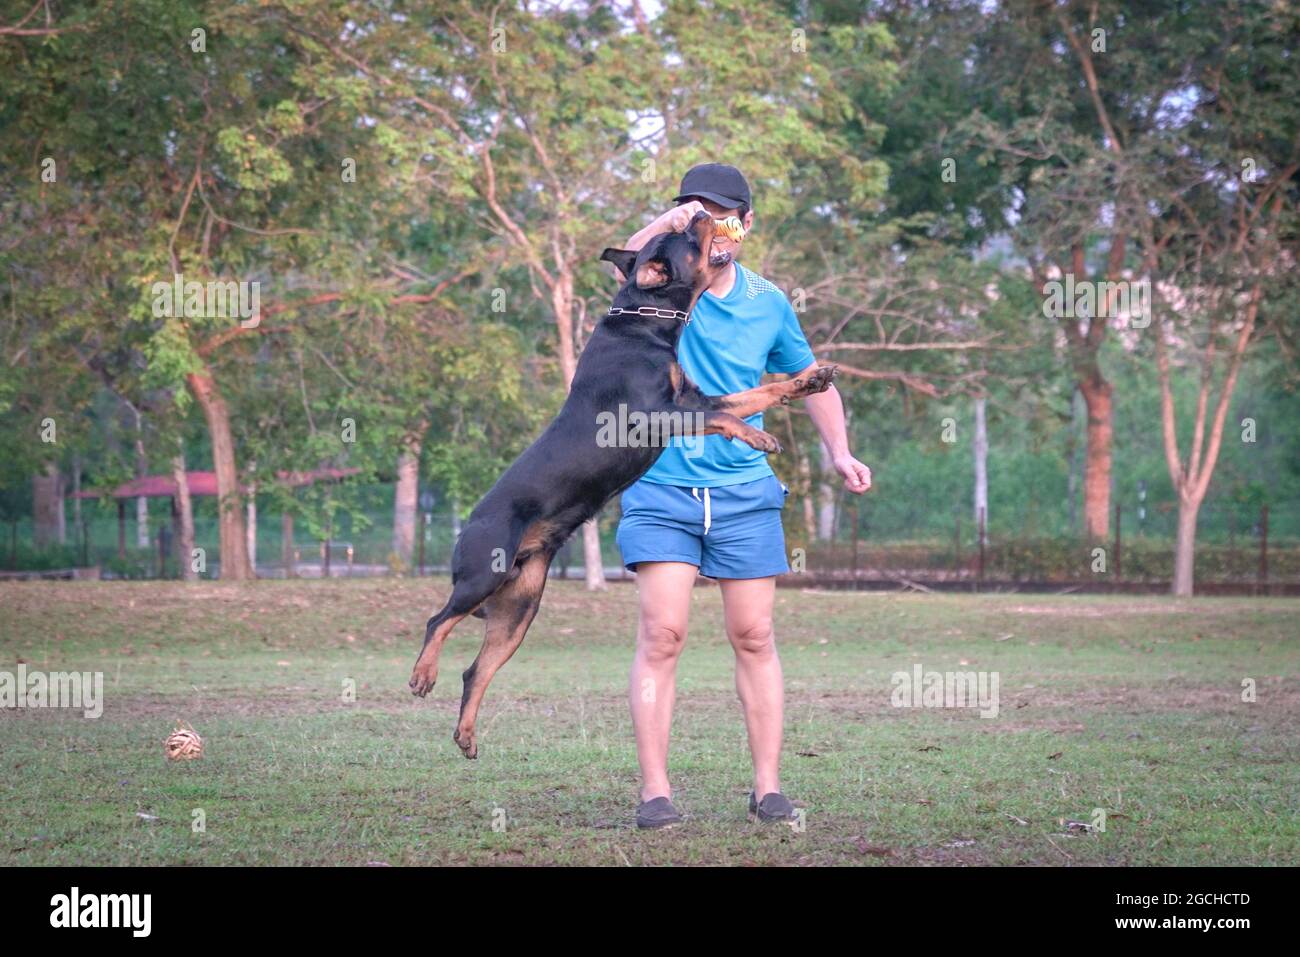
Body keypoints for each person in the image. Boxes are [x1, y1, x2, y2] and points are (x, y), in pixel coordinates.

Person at [611, 163, 872, 829]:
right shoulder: (664, 282)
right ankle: (655, 793)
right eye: (700, 214)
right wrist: (671, 226)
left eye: (726, 215)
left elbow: (809, 377)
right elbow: (621, 268)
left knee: (754, 633)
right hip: (661, 483)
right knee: (662, 632)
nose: (715, 227)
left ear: (747, 225)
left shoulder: (768, 302)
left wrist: (839, 450)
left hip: (743, 491)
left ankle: (767, 788)